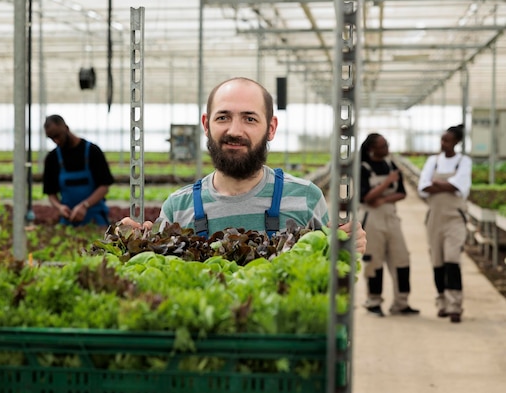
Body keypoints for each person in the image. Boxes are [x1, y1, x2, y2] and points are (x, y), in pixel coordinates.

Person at [120, 77, 366, 254]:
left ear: (271, 128)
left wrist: (345, 245)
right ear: (206, 125)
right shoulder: (177, 207)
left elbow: (327, 278)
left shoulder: (306, 198)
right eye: (223, 117)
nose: (234, 130)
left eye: (249, 119)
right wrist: (133, 246)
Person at [358, 133, 419, 317]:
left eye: (387, 145)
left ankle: (401, 303)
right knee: (374, 260)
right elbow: (366, 197)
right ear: (372, 149)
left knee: (401, 258)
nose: (387, 149)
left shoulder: (390, 164)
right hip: (372, 219)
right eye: (383, 146)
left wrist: (383, 198)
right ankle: (373, 301)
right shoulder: (363, 168)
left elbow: (401, 193)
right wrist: (386, 183)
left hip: (391, 217)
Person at [417, 124, 472, 324]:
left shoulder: (463, 161)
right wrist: (447, 185)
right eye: (442, 139)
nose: (443, 143)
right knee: (437, 261)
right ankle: (442, 303)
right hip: (434, 218)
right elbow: (422, 187)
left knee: (452, 259)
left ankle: (455, 305)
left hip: (454, 217)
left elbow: (460, 187)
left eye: (447, 140)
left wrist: (436, 184)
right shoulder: (433, 161)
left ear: (456, 142)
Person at [42, 114, 115, 226]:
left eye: (57, 136)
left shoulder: (92, 151)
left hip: (95, 218)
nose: (56, 141)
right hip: (68, 219)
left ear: (66, 128)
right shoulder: (52, 158)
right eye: (51, 138)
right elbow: (51, 193)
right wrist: (59, 207)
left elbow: (104, 186)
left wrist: (84, 205)